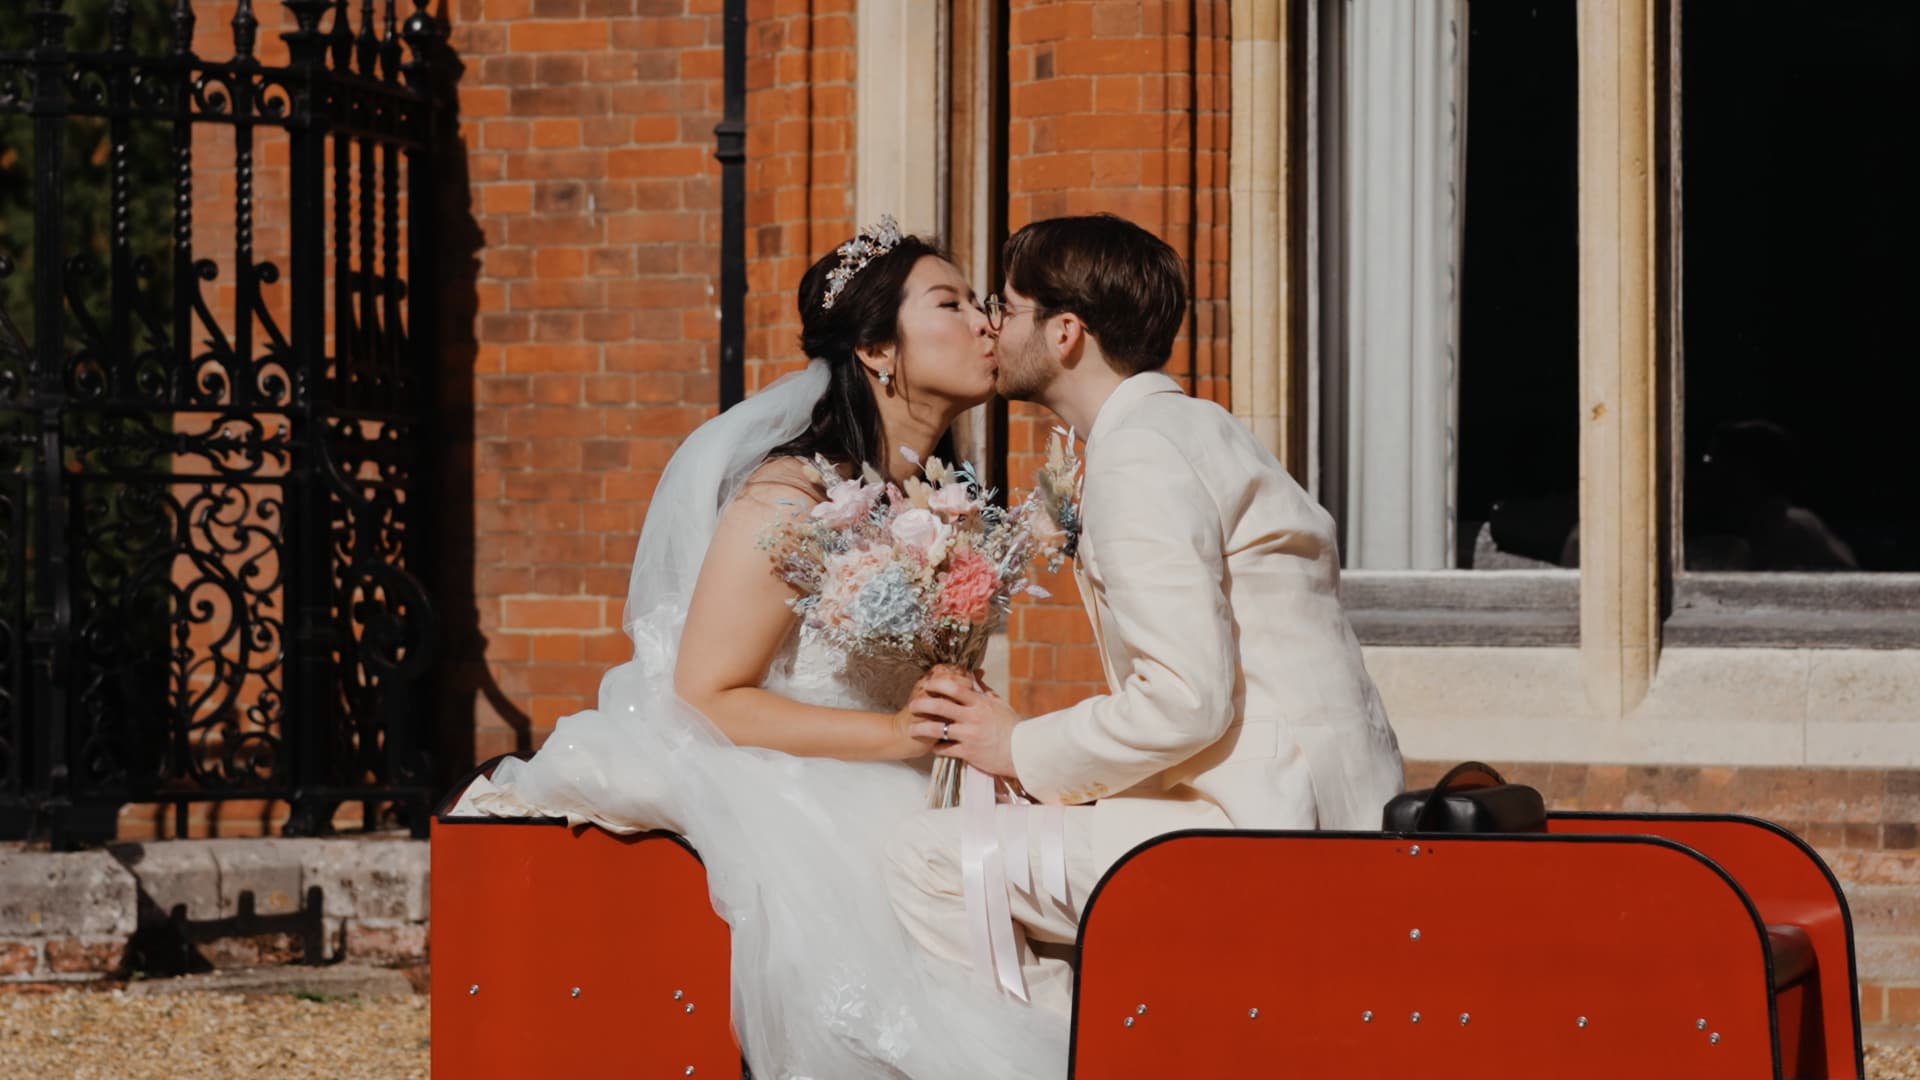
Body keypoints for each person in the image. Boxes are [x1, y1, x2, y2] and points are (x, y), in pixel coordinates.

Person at [451, 217, 1068, 1078]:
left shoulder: (933, 504)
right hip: (798, 774)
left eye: (980, 304)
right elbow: (707, 694)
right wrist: (895, 738)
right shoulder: (790, 497)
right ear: (877, 349)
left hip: (916, 769)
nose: (986, 323)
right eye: (952, 303)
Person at [887, 214, 1406, 1016]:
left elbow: (1186, 700)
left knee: (927, 855)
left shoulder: (1140, 455)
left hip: (1258, 831)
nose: (993, 324)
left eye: (1008, 306)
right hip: (1310, 810)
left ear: (1065, 332)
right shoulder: (1193, 426)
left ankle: (1048, 1063)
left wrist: (1017, 747)